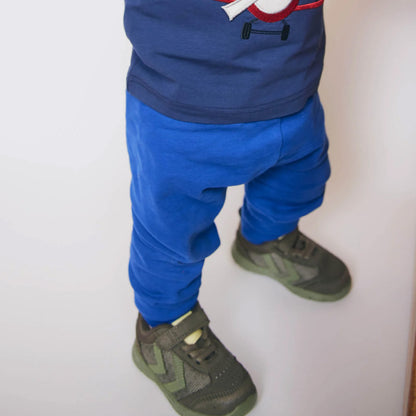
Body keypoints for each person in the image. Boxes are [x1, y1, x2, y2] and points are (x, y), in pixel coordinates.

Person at [123, 1, 351, 415]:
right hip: (184, 106)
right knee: (170, 233)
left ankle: (265, 240)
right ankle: (163, 325)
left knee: (299, 181)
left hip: (293, 86)